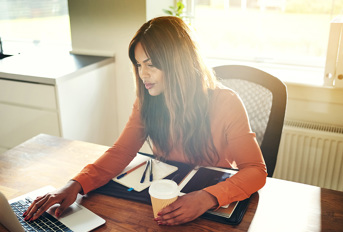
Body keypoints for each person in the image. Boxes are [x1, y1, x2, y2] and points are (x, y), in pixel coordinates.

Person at [24, 16, 267, 226]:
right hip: (165, 198)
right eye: (139, 65)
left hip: (210, 201)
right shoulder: (147, 101)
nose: (143, 74)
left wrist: (207, 198)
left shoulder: (226, 102)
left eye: (151, 65)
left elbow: (256, 170)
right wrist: (75, 184)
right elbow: (121, 152)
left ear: (178, 63)